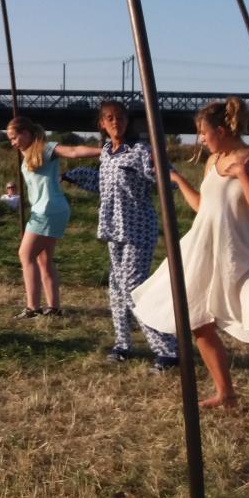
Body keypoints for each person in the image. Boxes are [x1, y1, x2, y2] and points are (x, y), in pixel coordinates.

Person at [131, 97, 249, 427]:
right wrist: (177, 181)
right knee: (198, 322)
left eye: (203, 133)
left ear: (220, 129)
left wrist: (243, 175)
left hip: (241, 255)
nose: (200, 139)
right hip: (204, 251)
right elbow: (204, 207)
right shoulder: (212, 161)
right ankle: (225, 392)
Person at [59, 100, 180, 371]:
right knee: (116, 289)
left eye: (120, 118)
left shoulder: (140, 151)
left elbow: (166, 178)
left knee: (132, 289)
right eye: (110, 118)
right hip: (113, 229)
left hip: (138, 229)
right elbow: (103, 185)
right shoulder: (106, 153)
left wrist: (170, 177)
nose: (116, 122)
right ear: (102, 124)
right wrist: (73, 176)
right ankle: (123, 344)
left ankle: (169, 350)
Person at [5, 115, 88, 319]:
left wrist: (104, 151)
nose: (13, 143)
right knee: (44, 260)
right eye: (10, 140)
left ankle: (32, 308)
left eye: (14, 138)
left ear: (26, 133)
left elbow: (73, 151)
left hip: (47, 210)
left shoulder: (44, 148)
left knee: (25, 255)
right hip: (47, 209)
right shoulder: (29, 154)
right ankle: (54, 307)